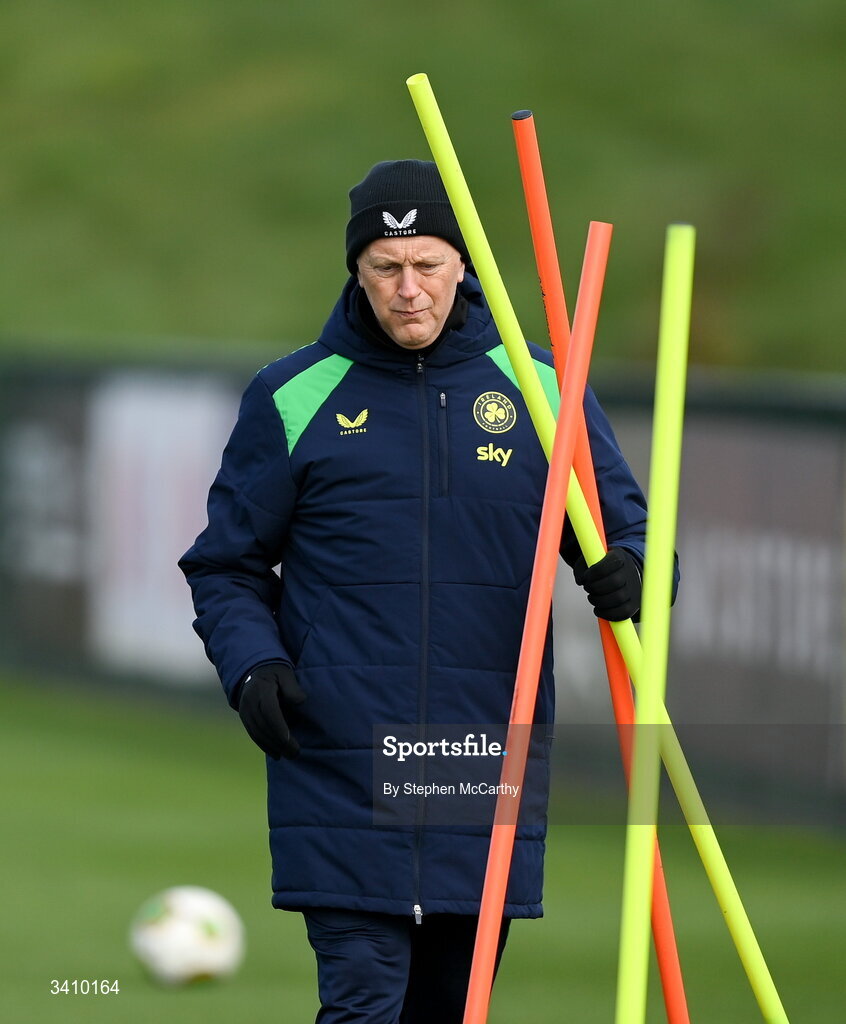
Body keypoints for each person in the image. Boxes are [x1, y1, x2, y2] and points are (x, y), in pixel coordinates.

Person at [179, 159, 667, 1023]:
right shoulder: (293, 395)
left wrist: (633, 568)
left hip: (482, 761)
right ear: (356, 272)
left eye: (428, 265)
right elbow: (225, 564)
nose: (408, 290)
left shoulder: (544, 387)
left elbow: (631, 537)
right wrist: (252, 665)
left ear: (463, 267)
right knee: (363, 1002)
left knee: (449, 1007)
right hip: (340, 756)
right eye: (385, 268)